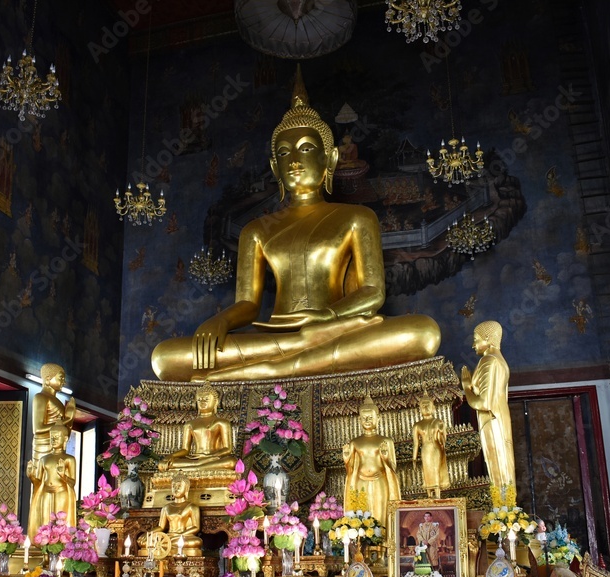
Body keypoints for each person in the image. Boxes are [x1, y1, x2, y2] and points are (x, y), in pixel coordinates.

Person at [150, 71, 440, 382]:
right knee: (166, 357)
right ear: (275, 167)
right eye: (284, 153)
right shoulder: (257, 230)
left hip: (332, 331)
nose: (294, 161)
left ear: (329, 159)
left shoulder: (356, 216)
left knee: (421, 332)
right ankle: (284, 361)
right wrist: (219, 321)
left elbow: (372, 293)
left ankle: (269, 369)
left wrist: (326, 316)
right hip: (275, 336)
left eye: (305, 148)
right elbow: (248, 304)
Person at [461, 321, 515, 497]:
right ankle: (505, 509)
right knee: (501, 466)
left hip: (492, 420)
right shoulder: (500, 361)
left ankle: (504, 512)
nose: (473, 344)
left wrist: (467, 388)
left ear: (488, 339)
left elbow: (483, 403)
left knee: (498, 466)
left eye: (476, 339)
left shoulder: (489, 361)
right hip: (498, 419)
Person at [28, 363, 76, 537]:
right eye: (60, 377)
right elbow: (38, 428)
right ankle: (39, 535)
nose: (63, 381)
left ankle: (58, 534)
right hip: (43, 447)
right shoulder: (41, 397)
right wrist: (66, 420)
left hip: (58, 449)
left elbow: (64, 433)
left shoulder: (57, 401)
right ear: (48, 378)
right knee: (40, 486)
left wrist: (69, 420)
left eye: (64, 377)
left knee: (60, 486)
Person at [342, 395, 401, 527]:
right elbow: (350, 470)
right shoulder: (355, 442)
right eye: (364, 418)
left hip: (380, 480)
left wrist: (385, 458)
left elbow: (393, 468)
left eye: (370, 417)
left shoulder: (386, 441)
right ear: (359, 419)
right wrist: (347, 460)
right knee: (362, 512)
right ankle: (363, 544)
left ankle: (382, 544)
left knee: (380, 511)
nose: (367, 420)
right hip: (360, 482)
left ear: (378, 418)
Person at [158, 383, 238, 473]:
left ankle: (190, 470)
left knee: (232, 462)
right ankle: (196, 467)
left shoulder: (222, 422)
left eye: (206, 399)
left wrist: (210, 457)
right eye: (200, 400)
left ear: (216, 402)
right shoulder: (190, 424)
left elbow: (227, 449)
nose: (202, 402)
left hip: (213, 458)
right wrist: (171, 456)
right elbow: (185, 450)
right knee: (163, 464)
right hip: (194, 459)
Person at [27, 424, 77, 536]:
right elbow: (38, 483)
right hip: (45, 492)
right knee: (44, 522)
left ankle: (61, 547)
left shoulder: (69, 459)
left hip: (61, 492)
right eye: (51, 436)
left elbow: (72, 483)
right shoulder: (44, 459)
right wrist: (31, 476)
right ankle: (43, 546)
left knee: (61, 523)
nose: (53, 439)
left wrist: (63, 475)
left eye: (57, 436)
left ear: (65, 439)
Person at [148, 474, 203, 557]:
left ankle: (167, 545)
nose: (176, 489)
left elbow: (196, 527)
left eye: (179, 486)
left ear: (186, 489)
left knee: (196, 542)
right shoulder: (166, 507)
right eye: (173, 486)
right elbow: (161, 527)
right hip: (168, 537)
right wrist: (149, 533)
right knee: (144, 541)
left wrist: (180, 534)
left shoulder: (192, 507)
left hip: (183, 537)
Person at [412, 395, 450, 498]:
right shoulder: (417, 425)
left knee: (435, 470)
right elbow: (416, 444)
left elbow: (444, 440)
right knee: (427, 471)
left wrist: (442, 431)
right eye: (423, 406)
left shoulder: (438, 422)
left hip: (435, 449)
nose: (425, 407)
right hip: (425, 450)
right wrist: (414, 459)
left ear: (433, 407)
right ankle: (429, 495)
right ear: (419, 409)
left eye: (428, 405)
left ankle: (437, 495)